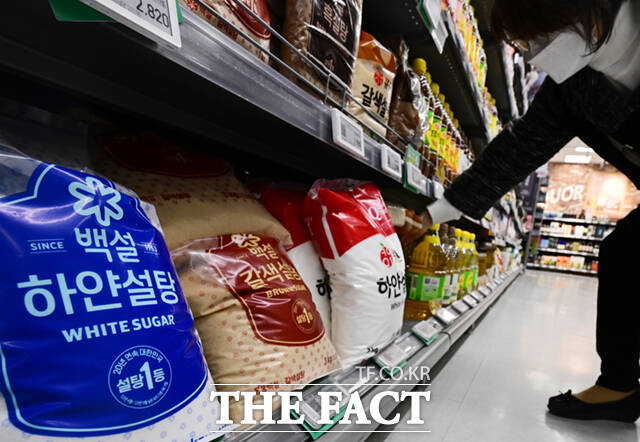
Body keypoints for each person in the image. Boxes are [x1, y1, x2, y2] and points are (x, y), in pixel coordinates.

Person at [425, 0, 640, 422]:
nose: (534, 55)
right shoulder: (572, 88)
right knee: (624, 254)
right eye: (525, 45)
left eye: (539, 39)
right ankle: (619, 387)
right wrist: (433, 214)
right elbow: (517, 149)